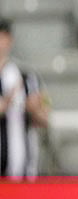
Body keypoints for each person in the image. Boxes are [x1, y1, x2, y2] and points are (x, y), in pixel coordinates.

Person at [0, 19, 48, 179]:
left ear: (9, 40)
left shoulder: (27, 77)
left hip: (20, 167)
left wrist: (34, 109)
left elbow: (45, 119)